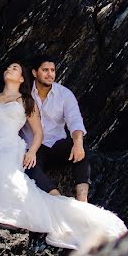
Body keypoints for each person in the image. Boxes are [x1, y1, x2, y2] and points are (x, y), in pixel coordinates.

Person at [0, 62, 127, 250]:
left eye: (15, 68)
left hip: (23, 145)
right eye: (8, 67)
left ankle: (80, 202)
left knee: (10, 169)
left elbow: (45, 130)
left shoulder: (28, 99)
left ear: (23, 77)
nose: (9, 69)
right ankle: (45, 198)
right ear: (35, 73)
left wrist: (33, 151)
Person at [21, 54, 93, 202]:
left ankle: (82, 199)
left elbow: (75, 120)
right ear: (35, 73)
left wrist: (78, 143)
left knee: (82, 148)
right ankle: (58, 199)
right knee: (27, 166)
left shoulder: (64, 94)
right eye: (45, 70)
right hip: (34, 148)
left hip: (57, 144)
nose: (50, 74)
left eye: (52, 70)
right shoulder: (24, 94)